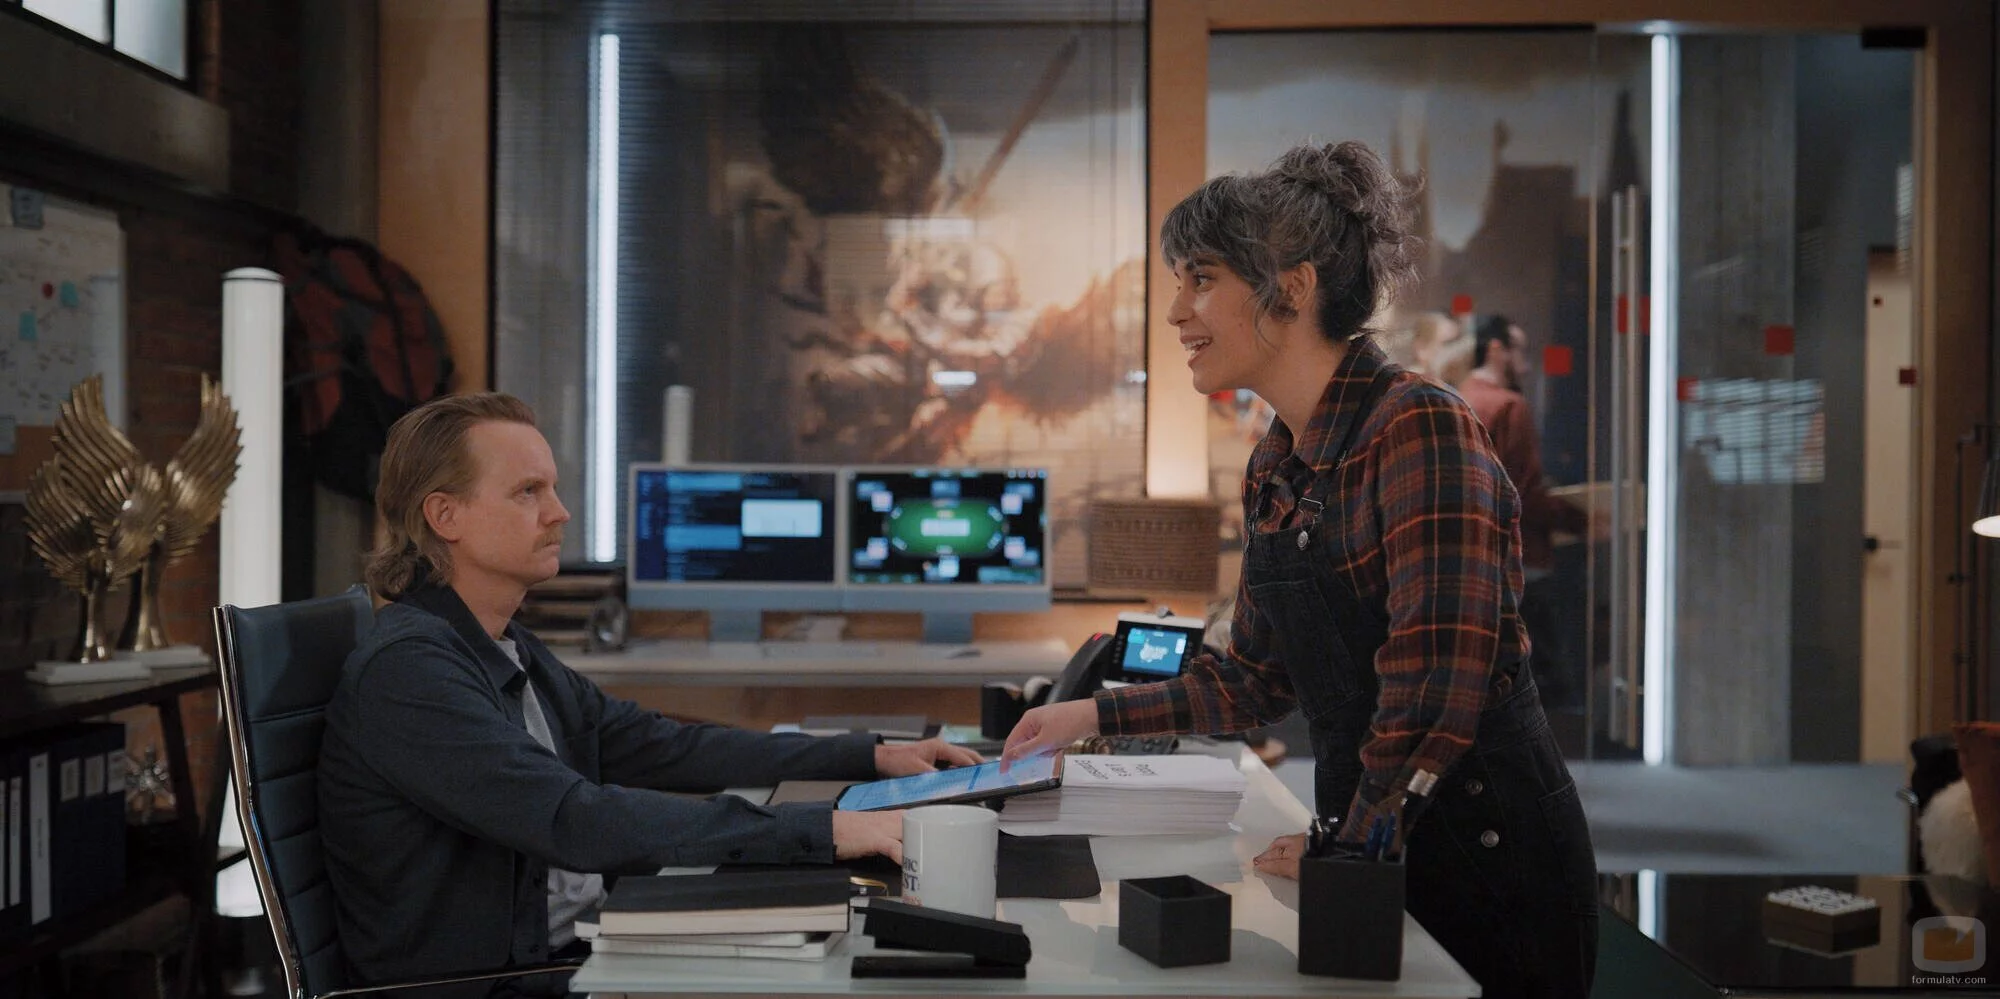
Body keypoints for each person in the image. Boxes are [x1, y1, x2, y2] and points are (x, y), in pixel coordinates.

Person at [1001, 142, 1597, 998]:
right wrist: (1089, 714)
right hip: (1373, 842)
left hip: (1484, 858)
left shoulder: (1419, 428)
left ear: (1293, 286)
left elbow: (1433, 689)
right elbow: (1254, 678)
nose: (1176, 310)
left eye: (1201, 278)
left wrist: (1350, 846)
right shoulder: (1277, 463)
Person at [319, 393, 980, 997]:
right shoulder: (409, 673)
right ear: (445, 515)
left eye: (553, 488)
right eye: (527, 491)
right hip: (511, 981)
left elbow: (664, 745)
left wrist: (866, 755)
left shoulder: (504, 644)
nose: (559, 512)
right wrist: (828, 828)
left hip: (574, 952)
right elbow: (575, 820)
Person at [1458, 314, 1593, 709]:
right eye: (1520, 350)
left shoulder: (1459, 397)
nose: (1527, 363)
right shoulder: (1508, 406)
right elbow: (1523, 493)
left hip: (1473, 560)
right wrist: (1581, 520)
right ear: (1496, 349)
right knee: (1543, 685)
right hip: (1520, 559)